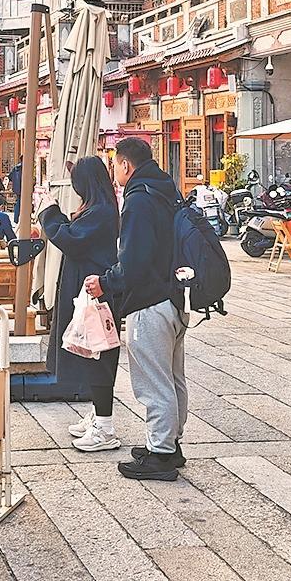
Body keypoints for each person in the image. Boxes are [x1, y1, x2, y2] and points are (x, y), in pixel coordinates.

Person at [85, 137, 185, 482]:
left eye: (115, 164)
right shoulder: (165, 189)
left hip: (150, 301)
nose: (114, 170)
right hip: (175, 297)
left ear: (125, 165)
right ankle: (170, 443)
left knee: (154, 382)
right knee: (172, 377)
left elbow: (134, 260)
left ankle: (161, 455)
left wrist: (106, 282)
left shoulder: (139, 199)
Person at [38, 157, 120, 451]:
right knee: (91, 354)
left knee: (98, 355)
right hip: (89, 292)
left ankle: (105, 427)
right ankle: (98, 415)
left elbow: (70, 239)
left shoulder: (101, 211)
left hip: (95, 294)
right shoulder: (100, 208)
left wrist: (49, 211)